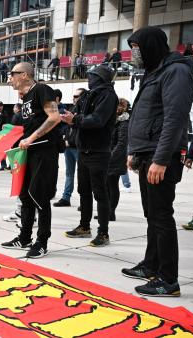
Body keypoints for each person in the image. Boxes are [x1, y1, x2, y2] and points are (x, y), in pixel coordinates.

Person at [121, 26, 193, 297]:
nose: (133, 53)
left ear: (151, 46)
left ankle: (168, 279)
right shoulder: (155, 71)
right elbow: (144, 115)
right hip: (147, 154)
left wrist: (161, 159)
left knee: (161, 216)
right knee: (152, 215)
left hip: (160, 157)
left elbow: (174, 120)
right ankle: (151, 264)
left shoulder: (176, 71)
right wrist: (134, 151)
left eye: (137, 47)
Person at [0, 62, 61, 258]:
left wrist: (32, 138)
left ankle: (41, 241)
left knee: (40, 196)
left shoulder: (42, 89)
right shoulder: (25, 98)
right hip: (29, 152)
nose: (9, 78)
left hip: (44, 151)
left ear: (25, 75)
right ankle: (24, 237)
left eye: (12, 74)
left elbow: (54, 117)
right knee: (25, 195)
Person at [62, 65, 118, 247]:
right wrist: (72, 118)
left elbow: (98, 120)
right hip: (84, 150)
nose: (88, 78)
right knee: (83, 191)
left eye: (92, 75)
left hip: (98, 152)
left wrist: (75, 120)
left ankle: (104, 233)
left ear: (100, 77)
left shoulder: (108, 95)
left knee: (100, 193)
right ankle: (84, 226)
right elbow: (80, 117)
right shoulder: (89, 94)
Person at [53, 88, 86, 207]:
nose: (74, 98)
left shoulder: (85, 112)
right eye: (74, 96)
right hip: (68, 147)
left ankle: (85, 201)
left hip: (77, 147)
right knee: (69, 173)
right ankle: (66, 197)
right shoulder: (72, 110)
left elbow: (81, 130)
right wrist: (65, 138)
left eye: (76, 96)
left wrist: (69, 141)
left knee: (83, 175)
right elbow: (67, 128)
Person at [106, 98, 130, 222]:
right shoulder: (113, 121)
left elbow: (121, 143)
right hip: (109, 157)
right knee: (107, 186)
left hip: (115, 159)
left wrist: (110, 156)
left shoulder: (124, 122)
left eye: (118, 106)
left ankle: (111, 212)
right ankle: (106, 211)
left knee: (112, 185)